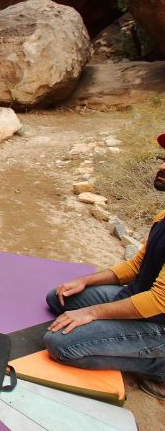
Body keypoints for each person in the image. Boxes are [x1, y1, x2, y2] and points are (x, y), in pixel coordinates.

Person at [44, 131, 165, 400]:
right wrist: (86, 281)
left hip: (159, 323)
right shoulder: (163, 215)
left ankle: (160, 366)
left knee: (61, 345)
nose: (162, 167)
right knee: (59, 298)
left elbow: (159, 302)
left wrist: (94, 313)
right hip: (139, 299)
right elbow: (136, 267)